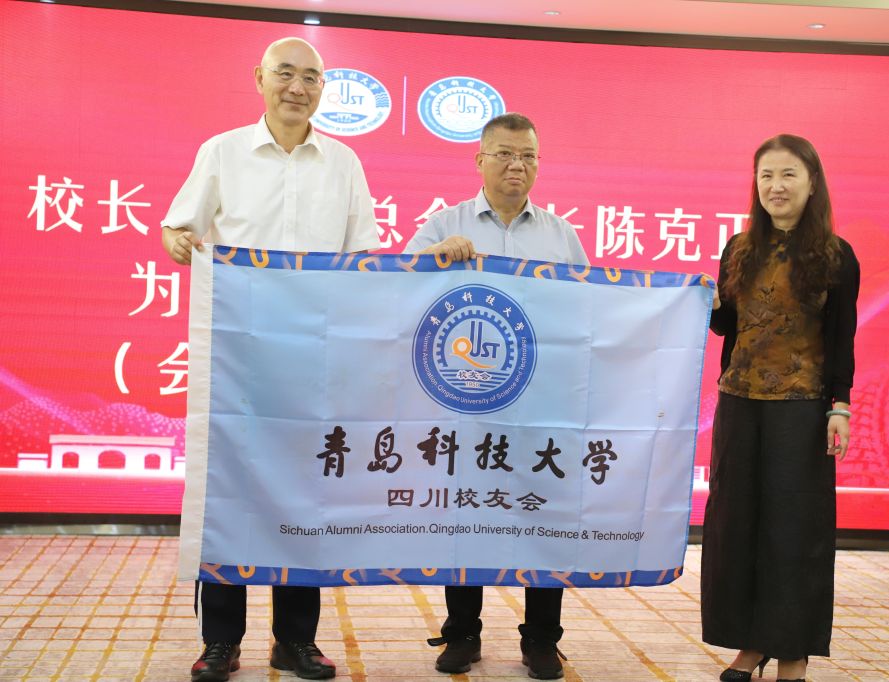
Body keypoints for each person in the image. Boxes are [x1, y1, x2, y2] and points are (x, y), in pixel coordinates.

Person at [161, 37, 380, 682]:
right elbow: (177, 227)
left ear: (323, 88)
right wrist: (179, 241)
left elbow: (362, 257)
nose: (297, 87)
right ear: (259, 78)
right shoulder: (223, 151)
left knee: (305, 496)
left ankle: (296, 641)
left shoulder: (344, 163)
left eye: (311, 77)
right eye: (285, 73)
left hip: (315, 358)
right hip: (237, 356)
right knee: (228, 494)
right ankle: (220, 642)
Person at [404, 112, 587, 680]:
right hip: (466, 403)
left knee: (543, 517)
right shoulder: (446, 224)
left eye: (528, 156)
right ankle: (462, 633)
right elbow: (395, 287)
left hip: (543, 404)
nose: (517, 165)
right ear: (479, 159)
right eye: (505, 153)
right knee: (466, 516)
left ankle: (542, 640)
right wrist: (432, 259)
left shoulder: (560, 235)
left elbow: (591, 311)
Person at [700, 134, 859, 682]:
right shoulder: (739, 249)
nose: (776, 186)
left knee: (795, 529)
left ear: (812, 183)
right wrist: (709, 302)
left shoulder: (836, 255)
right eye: (766, 175)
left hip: (802, 407)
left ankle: (793, 650)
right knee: (736, 524)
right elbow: (728, 325)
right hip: (739, 403)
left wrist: (840, 405)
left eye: (788, 174)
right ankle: (750, 642)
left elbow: (841, 337)